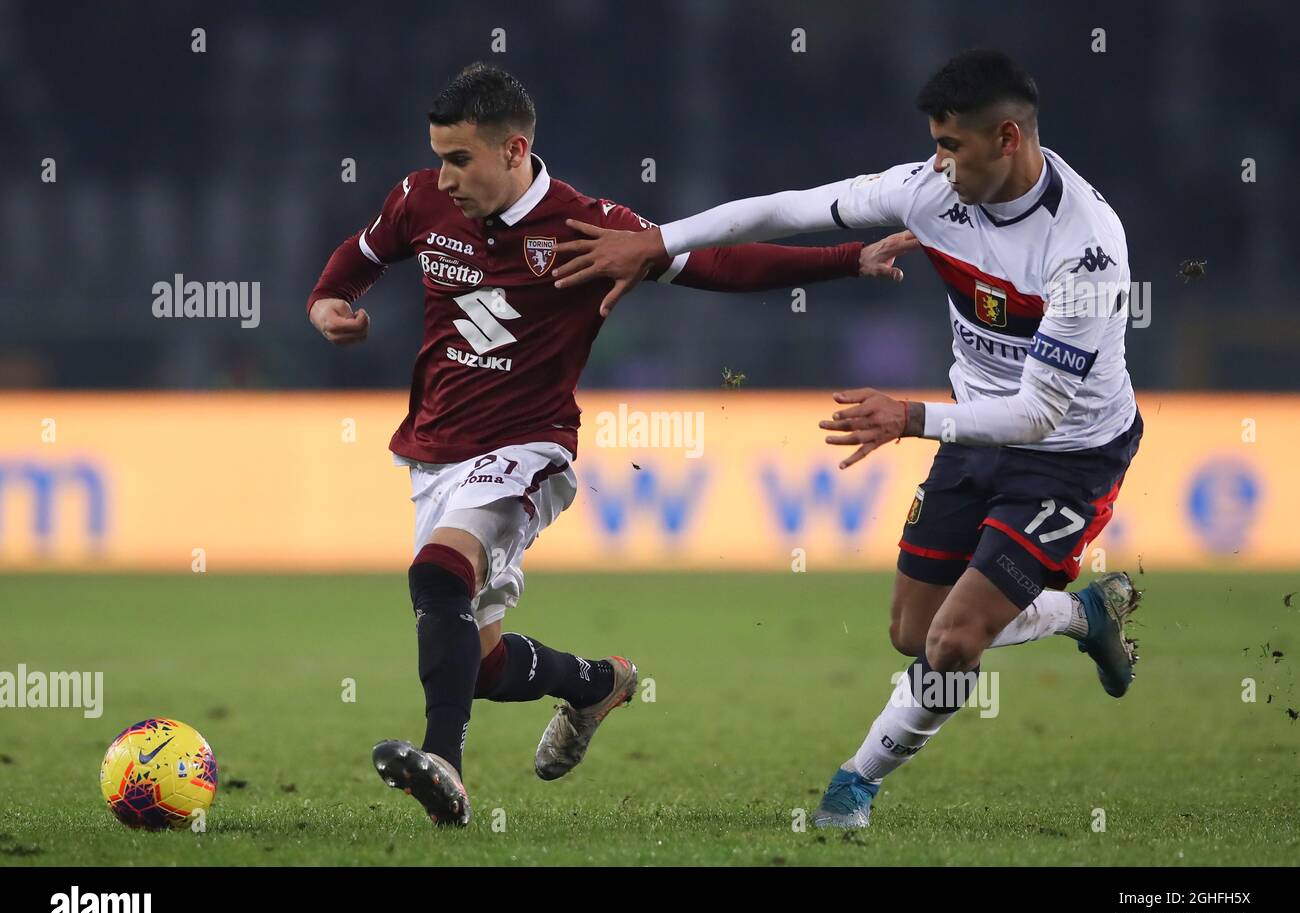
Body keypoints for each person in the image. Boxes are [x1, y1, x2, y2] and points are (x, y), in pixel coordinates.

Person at [549, 49, 1143, 828]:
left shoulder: (1086, 251)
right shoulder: (930, 192)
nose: (937, 163)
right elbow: (786, 209)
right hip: (972, 432)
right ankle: (1080, 616)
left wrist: (910, 417)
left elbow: (1039, 415)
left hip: (1069, 454)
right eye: (933, 143)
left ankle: (852, 786)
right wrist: (658, 242)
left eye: (952, 145)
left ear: (1007, 139)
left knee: (956, 642)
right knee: (911, 633)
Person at [306, 62, 908, 826]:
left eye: (460, 159)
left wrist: (846, 259)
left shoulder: (585, 226)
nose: (445, 176)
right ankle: (597, 684)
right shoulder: (419, 199)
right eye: (439, 157)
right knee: (480, 661)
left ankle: (445, 770)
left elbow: (717, 262)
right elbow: (360, 256)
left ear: (514, 149)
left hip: (528, 445)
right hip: (434, 451)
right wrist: (330, 301)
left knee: (436, 576)